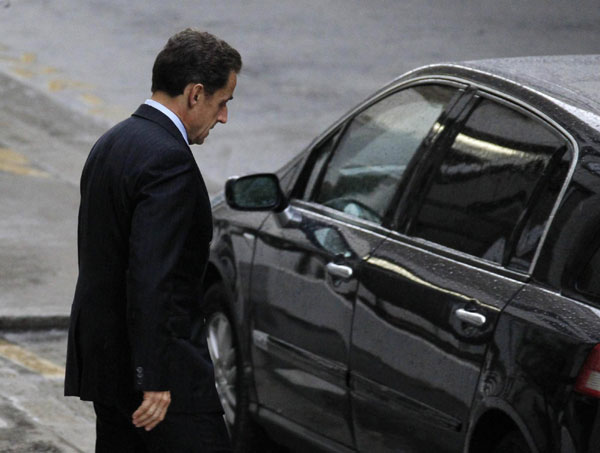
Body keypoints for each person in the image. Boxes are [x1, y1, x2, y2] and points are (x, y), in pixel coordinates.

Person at [64, 29, 242, 452]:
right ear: (195, 94)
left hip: (107, 365)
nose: (223, 118)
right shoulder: (169, 162)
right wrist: (156, 378)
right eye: (223, 103)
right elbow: (152, 276)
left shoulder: (112, 142)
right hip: (161, 378)